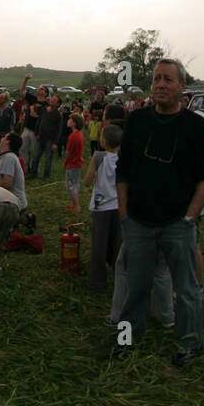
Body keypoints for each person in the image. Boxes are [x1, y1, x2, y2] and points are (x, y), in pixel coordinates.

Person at [113, 58, 204, 365]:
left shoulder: (195, 126)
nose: (160, 84)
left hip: (177, 223)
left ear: (182, 86)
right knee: (136, 288)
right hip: (139, 222)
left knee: (186, 289)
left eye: (168, 79)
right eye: (157, 78)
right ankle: (127, 339)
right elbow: (123, 172)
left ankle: (188, 345)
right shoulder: (138, 121)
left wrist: (190, 217)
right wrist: (125, 217)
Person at [85, 122, 124, 297]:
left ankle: (97, 281)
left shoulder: (98, 156)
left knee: (99, 243)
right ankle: (118, 275)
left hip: (101, 206)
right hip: (119, 205)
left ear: (105, 141)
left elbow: (87, 180)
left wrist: (90, 179)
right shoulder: (125, 157)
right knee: (117, 241)